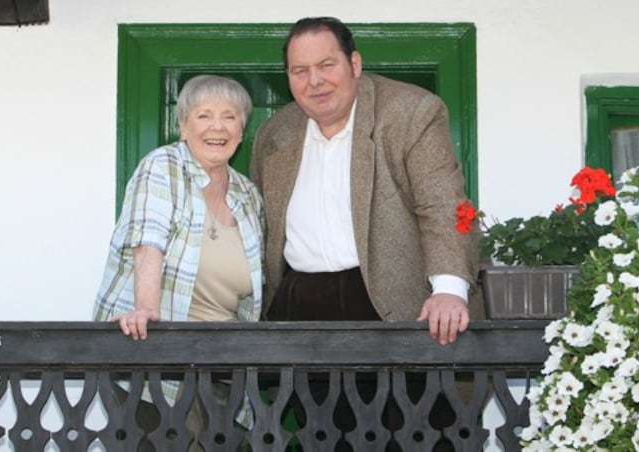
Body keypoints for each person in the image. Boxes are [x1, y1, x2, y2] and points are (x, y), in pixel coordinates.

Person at [250, 17, 481, 451]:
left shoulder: (411, 112)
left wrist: (449, 289)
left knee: (421, 436)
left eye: (327, 65)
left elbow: (443, 203)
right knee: (326, 441)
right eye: (300, 71)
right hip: (304, 308)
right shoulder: (273, 133)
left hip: (398, 301)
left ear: (354, 63)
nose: (314, 81)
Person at [93, 74, 264, 450]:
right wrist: (147, 315)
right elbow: (147, 240)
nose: (217, 127)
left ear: (242, 129)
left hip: (222, 367)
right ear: (183, 126)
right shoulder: (164, 165)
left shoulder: (247, 194)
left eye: (229, 116)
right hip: (159, 364)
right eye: (203, 116)